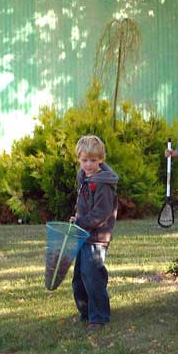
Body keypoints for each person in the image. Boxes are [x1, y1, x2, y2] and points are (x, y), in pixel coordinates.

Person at [70, 135, 119, 331]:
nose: (88, 165)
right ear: (79, 159)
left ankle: (99, 317)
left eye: (93, 160)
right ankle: (85, 312)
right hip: (83, 234)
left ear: (101, 159)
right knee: (79, 278)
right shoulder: (83, 177)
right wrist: (77, 217)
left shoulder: (103, 184)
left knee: (93, 277)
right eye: (84, 160)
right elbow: (83, 203)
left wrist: (81, 221)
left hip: (97, 238)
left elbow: (101, 213)